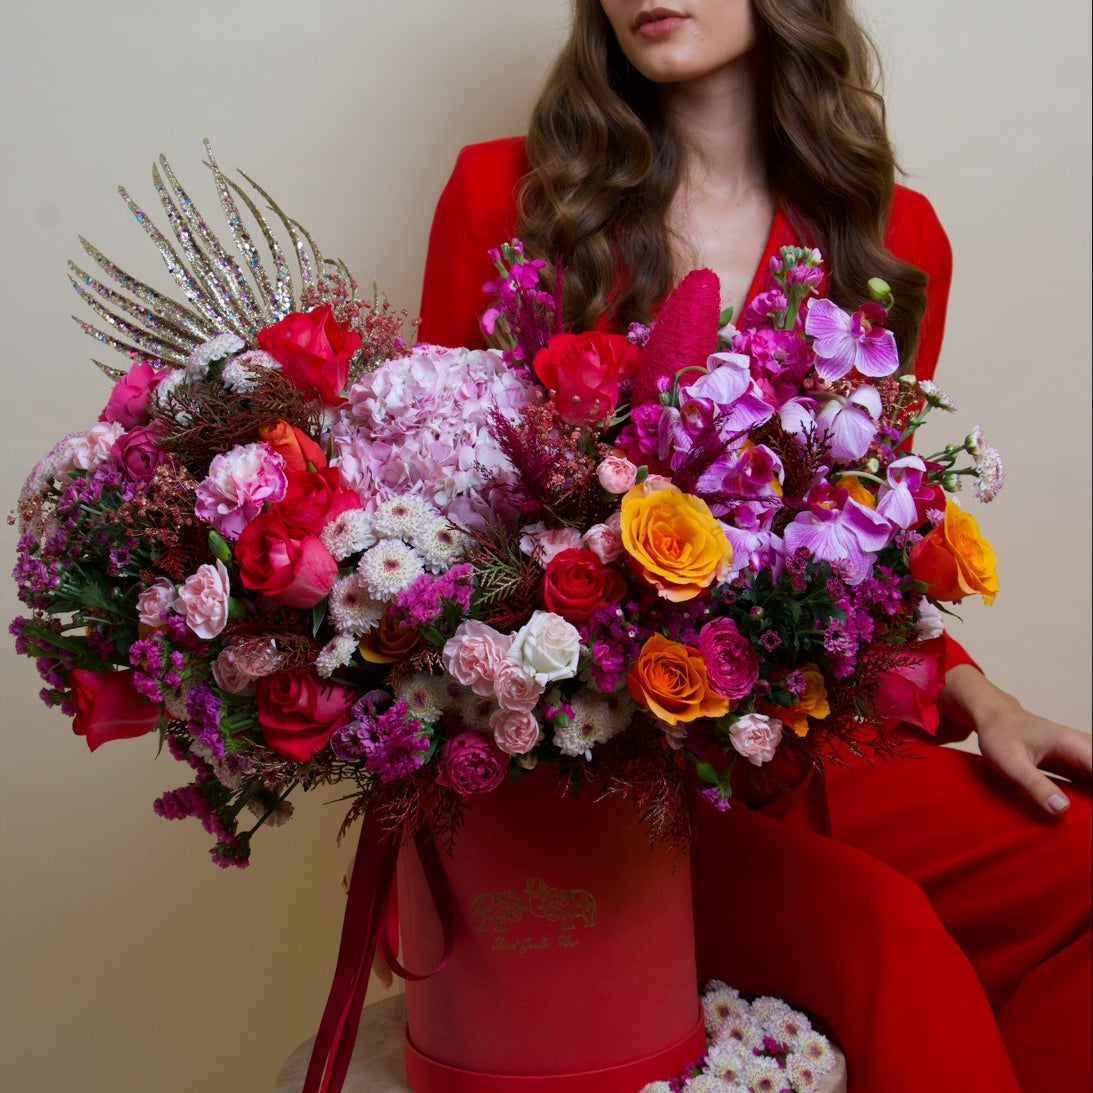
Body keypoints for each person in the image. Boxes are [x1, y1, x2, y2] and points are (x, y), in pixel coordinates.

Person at [416, 2, 1092, 1090]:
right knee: (888, 937)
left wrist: (978, 697)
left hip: (801, 740)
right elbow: (427, 521)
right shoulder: (508, 192)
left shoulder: (890, 237)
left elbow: (862, 537)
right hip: (595, 782)